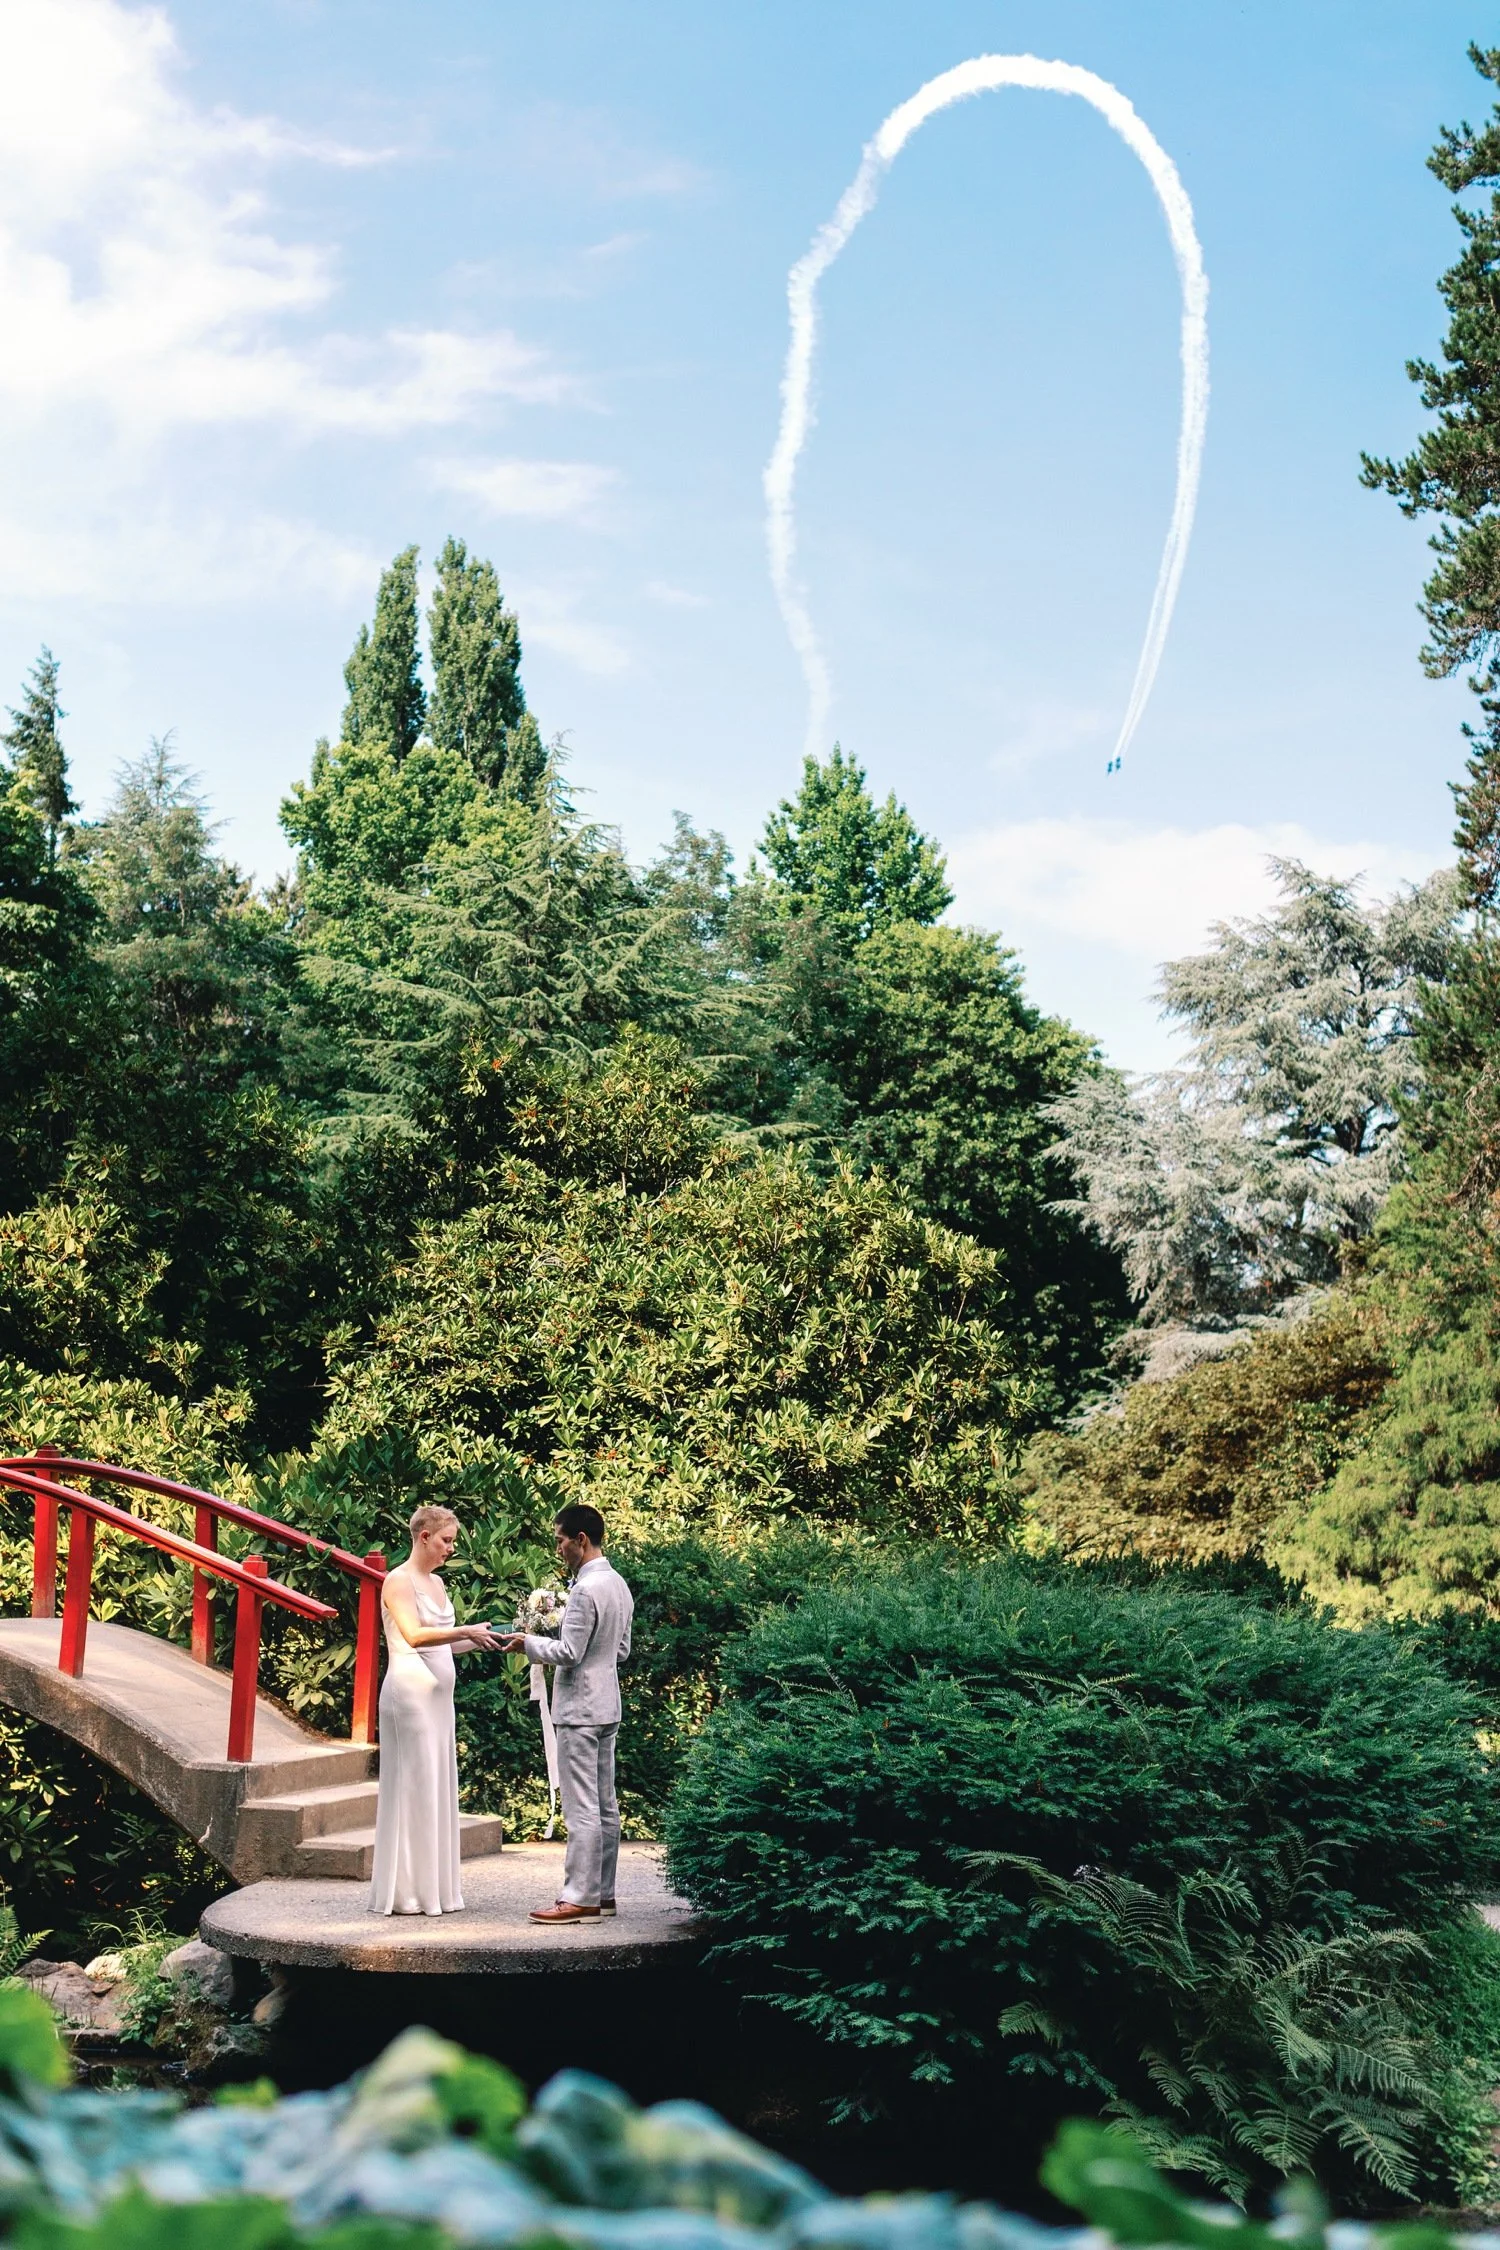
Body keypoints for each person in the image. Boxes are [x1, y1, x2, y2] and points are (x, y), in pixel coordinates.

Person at [500, 1503, 633, 1923]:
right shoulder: (618, 1585)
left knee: (581, 1809)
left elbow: (570, 1653)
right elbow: (622, 1651)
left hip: (579, 1710)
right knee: (606, 1805)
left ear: (580, 1540)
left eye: (560, 1540)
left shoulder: (584, 1590)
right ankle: (604, 1894)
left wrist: (528, 1644)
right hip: (608, 1705)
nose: (557, 1548)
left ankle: (580, 1898)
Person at [369, 1504, 502, 1917]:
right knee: (415, 1786)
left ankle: (437, 1891)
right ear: (424, 1536)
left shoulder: (438, 1583)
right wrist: (464, 1630)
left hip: (439, 1703)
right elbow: (413, 1634)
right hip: (408, 1698)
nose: (451, 1548)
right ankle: (408, 1893)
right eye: (446, 1540)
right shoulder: (398, 1581)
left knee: (436, 1785)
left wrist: (489, 1639)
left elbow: (444, 1642)